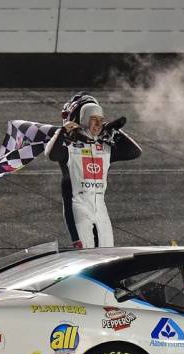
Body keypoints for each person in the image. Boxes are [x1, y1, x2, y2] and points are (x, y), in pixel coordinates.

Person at [45, 94, 141, 248]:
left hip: (100, 205)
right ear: (83, 119)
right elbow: (52, 154)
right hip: (78, 206)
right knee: (85, 257)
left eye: (101, 120)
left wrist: (114, 131)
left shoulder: (105, 146)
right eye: (93, 119)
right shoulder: (69, 145)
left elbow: (135, 152)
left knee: (108, 254)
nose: (98, 124)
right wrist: (62, 132)